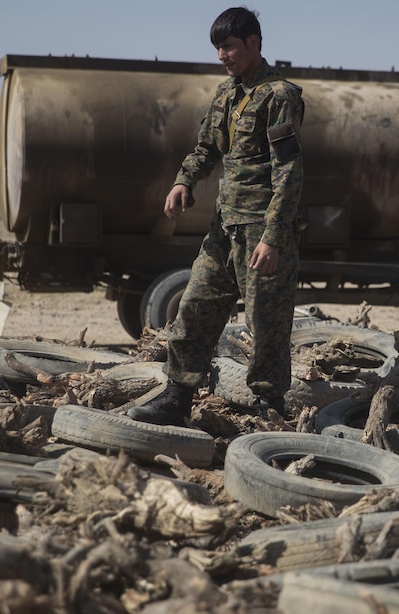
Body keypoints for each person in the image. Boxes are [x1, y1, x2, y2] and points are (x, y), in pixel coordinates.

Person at [129, 6, 305, 427]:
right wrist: (183, 182)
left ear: (254, 44)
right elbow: (206, 148)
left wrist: (273, 236)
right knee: (193, 308)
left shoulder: (279, 95)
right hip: (224, 229)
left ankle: (269, 409)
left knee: (266, 324)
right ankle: (177, 396)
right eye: (218, 48)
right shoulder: (227, 94)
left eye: (228, 47)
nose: (222, 55)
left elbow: (289, 171)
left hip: (260, 231)